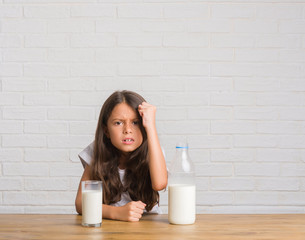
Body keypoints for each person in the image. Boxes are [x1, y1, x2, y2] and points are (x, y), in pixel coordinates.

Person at [75, 90, 167, 222]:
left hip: (149, 225)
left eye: (135, 122)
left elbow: (159, 184)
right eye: (118, 123)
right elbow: (80, 204)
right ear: (106, 130)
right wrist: (117, 212)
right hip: (111, 226)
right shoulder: (97, 151)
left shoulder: (154, 150)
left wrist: (151, 126)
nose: (127, 130)